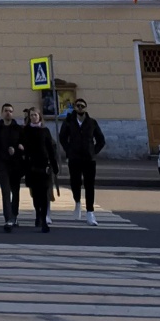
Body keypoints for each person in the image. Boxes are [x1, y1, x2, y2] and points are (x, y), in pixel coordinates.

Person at [58, 97, 106, 226]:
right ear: (74, 107)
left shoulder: (92, 122)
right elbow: (62, 137)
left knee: (89, 185)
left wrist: (93, 151)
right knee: (75, 183)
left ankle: (90, 212)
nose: (80, 108)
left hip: (89, 159)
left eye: (82, 106)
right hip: (74, 158)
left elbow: (101, 140)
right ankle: (77, 202)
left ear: (85, 108)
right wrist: (69, 150)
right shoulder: (69, 122)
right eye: (78, 105)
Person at [0, 102, 27, 230]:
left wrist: (19, 148)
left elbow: (23, 145)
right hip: (2, 163)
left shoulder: (18, 129)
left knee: (15, 191)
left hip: (15, 164)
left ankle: (14, 215)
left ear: (13, 113)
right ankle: (8, 219)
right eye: (6, 110)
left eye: (10, 110)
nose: (8, 113)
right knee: (5, 191)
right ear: (2, 113)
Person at [21, 107, 60, 232]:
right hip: (32, 167)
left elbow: (50, 149)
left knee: (44, 195)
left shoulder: (45, 131)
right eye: (31, 115)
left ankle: (44, 221)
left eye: (35, 115)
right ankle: (37, 213)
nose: (33, 117)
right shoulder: (26, 130)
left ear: (39, 116)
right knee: (35, 195)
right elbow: (22, 146)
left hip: (44, 167)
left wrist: (54, 165)